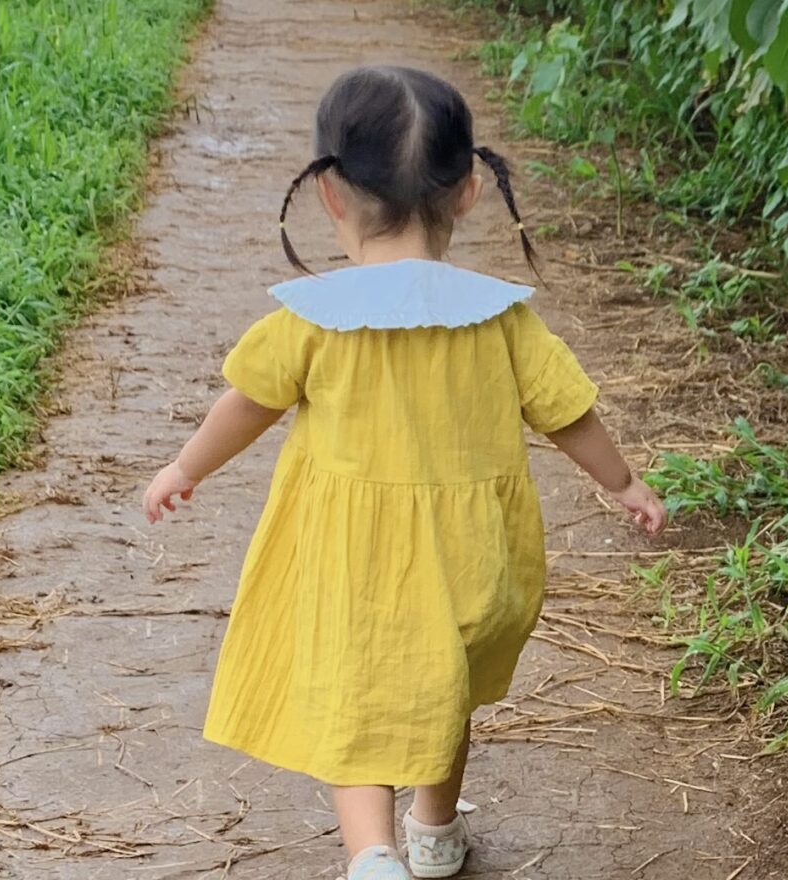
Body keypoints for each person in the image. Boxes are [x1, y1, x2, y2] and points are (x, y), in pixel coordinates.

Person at [141, 67, 666, 880]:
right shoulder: (500, 317)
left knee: (359, 696)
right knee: (441, 688)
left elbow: (247, 405)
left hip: (354, 559)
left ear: (330, 195)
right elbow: (568, 413)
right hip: (473, 556)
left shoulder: (314, 319)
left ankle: (373, 854)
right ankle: (434, 829)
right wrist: (622, 483)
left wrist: (185, 466)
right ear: (467, 194)